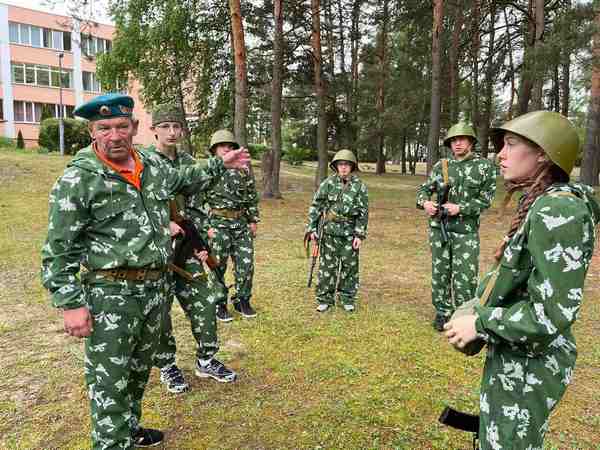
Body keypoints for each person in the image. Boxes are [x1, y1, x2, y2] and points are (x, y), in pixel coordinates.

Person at [41, 94, 249, 449]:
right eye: (104, 128)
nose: (114, 135)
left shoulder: (150, 168)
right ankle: (111, 442)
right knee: (110, 381)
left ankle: (129, 430)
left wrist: (220, 165)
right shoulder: (79, 180)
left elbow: (185, 177)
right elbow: (58, 251)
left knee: (138, 373)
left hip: (155, 290)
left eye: (122, 126)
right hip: (110, 296)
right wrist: (70, 303)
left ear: (135, 128)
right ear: (92, 131)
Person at [444, 111, 599, 450]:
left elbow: (550, 315)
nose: (499, 154)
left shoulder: (558, 211)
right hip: (517, 356)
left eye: (511, 144)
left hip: (530, 367)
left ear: (543, 152)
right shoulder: (542, 203)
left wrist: (481, 324)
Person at [147, 104, 236, 394]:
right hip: (157, 253)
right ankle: (167, 366)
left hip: (187, 250)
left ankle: (206, 359)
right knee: (161, 312)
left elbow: (199, 203)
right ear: (154, 130)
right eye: (165, 126)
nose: (172, 132)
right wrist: (164, 225)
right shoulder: (144, 162)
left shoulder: (189, 162)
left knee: (205, 302)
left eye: (177, 126)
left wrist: (200, 242)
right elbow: (138, 206)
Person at [416, 123, 497, 331]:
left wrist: (460, 208)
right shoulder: (441, 166)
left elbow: (486, 200)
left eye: (462, 139)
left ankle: (463, 314)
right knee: (440, 272)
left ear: (471, 142)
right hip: (439, 229)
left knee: (465, 275)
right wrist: (426, 203)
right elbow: (423, 191)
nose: (458, 143)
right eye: (454, 140)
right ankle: (442, 312)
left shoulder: (484, 167)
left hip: (465, 233)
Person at [196, 130, 260, 322]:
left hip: (241, 224)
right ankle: (219, 303)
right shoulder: (208, 170)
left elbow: (251, 196)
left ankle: (242, 300)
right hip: (218, 224)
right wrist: (206, 226)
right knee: (218, 265)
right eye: (223, 145)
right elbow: (197, 201)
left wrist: (253, 220)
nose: (227, 148)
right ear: (214, 149)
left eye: (230, 146)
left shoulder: (243, 169)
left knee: (246, 264)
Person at [306, 149, 369, 312]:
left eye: (347, 165)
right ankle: (325, 298)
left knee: (350, 267)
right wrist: (312, 228)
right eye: (340, 164)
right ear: (335, 166)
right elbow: (316, 206)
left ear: (352, 167)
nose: (343, 168)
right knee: (327, 267)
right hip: (329, 233)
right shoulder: (327, 183)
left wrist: (359, 234)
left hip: (349, 233)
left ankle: (347, 298)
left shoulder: (359, 186)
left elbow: (363, 212)